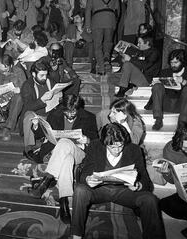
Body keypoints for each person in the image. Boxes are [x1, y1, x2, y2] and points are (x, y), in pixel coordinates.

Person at [72, 123, 165, 239]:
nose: (117, 150)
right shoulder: (95, 146)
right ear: (104, 143)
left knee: (150, 199)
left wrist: (138, 185)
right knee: (80, 189)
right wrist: (88, 179)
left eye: (120, 146)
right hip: (99, 190)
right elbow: (85, 171)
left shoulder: (134, 149)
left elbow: (145, 179)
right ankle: (76, 235)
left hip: (124, 191)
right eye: (112, 147)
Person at [26, 95, 98, 223]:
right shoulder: (55, 114)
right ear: (62, 108)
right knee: (67, 161)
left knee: (65, 142)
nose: (70, 114)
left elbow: (96, 142)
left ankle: (47, 180)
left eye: (74, 111)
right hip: (58, 151)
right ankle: (64, 201)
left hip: (79, 152)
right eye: (67, 111)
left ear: (78, 108)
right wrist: (36, 126)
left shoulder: (89, 117)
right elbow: (43, 134)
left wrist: (87, 140)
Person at [149, 49, 187, 130]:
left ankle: (182, 123)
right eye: (171, 62)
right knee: (157, 86)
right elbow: (157, 89)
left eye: (176, 62)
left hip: (181, 105)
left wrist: (184, 81)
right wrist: (155, 83)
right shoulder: (164, 72)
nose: (173, 65)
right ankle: (158, 120)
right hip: (165, 104)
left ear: (183, 62)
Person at [85, 0, 120, 75]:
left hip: (97, 21)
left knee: (98, 45)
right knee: (108, 42)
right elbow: (118, 10)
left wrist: (88, 25)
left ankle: (101, 68)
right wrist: (115, 23)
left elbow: (88, 10)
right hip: (111, 20)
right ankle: (106, 57)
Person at [21, 61, 56, 149]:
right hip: (37, 115)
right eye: (41, 75)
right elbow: (28, 107)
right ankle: (29, 146)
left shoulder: (49, 81)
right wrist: (41, 100)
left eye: (46, 75)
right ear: (33, 74)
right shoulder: (27, 86)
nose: (44, 78)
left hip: (51, 113)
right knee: (29, 116)